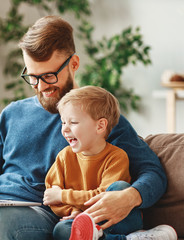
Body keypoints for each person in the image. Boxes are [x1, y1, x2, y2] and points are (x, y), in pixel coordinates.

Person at [0, 16, 168, 240]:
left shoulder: (96, 117)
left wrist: (131, 197)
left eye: (49, 76)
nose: (41, 86)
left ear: (74, 64)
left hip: (40, 210)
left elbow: (152, 171)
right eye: (32, 77)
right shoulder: (12, 114)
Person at [43, 86, 142, 239]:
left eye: (73, 122)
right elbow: (51, 195)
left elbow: (102, 198)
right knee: (61, 230)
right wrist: (72, 211)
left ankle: (105, 235)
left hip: (117, 221)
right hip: (86, 221)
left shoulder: (116, 157)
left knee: (119, 188)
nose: (65, 129)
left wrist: (63, 195)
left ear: (100, 126)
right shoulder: (64, 156)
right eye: (63, 122)